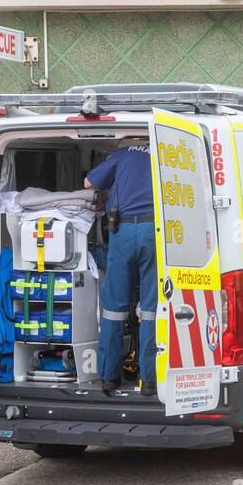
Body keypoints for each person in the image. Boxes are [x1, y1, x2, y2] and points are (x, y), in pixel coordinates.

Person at [84, 142, 156, 396]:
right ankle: (149, 381)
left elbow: (87, 184)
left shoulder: (122, 155)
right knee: (150, 309)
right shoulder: (164, 153)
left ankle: (108, 378)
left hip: (122, 231)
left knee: (114, 308)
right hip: (154, 233)